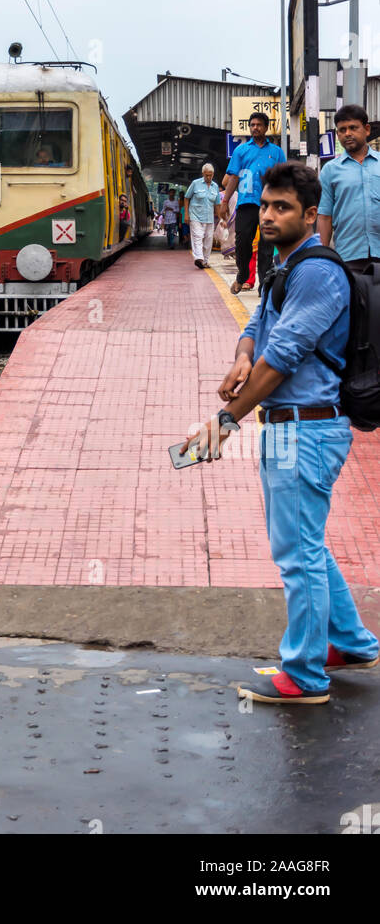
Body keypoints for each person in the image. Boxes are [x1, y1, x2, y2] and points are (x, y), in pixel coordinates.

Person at [182, 160, 379, 705]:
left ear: (311, 214)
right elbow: (258, 328)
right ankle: (353, 643)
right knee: (307, 545)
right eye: (265, 205)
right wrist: (244, 356)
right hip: (294, 428)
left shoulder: (316, 271)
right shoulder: (285, 264)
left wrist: (226, 419)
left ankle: (306, 675)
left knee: (297, 554)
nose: (267, 216)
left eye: (281, 208)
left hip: (306, 429)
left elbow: (286, 355)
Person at [219, 112, 286, 294]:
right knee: (242, 243)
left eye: (259, 124)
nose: (255, 127)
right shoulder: (241, 151)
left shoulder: (277, 152)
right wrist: (225, 201)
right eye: (252, 125)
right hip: (246, 204)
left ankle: (263, 285)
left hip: (269, 205)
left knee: (266, 246)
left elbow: (283, 179)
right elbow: (233, 177)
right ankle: (243, 275)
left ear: (266, 127)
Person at [318, 104, 380, 271]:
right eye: (342, 130)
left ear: (366, 129)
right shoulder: (330, 170)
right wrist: (321, 258)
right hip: (348, 255)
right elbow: (324, 216)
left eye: (353, 128)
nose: (347, 134)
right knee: (353, 297)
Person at [184, 163, 219, 268]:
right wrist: (186, 214)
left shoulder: (215, 186)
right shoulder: (195, 183)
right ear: (203, 173)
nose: (209, 177)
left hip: (209, 218)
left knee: (208, 240)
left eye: (211, 175)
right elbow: (186, 198)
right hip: (195, 216)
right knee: (198, 237)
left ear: (213, 174)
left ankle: (205, 261)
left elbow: (217, 204)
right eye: (207, 175)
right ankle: (199, 258)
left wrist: (222, 219)